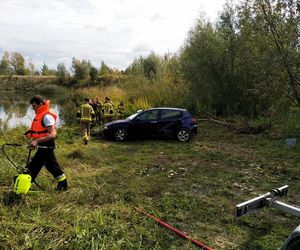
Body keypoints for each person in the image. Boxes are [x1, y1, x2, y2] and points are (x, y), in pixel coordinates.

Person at [25, 95, 68, 191]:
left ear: (40, 104)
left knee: (33, 166)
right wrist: (35, 141)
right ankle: (63, 183)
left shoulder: (47, 116)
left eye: (34, 106)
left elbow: (53, 134)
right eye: (32, 106)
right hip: (43, 145)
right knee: (51, 165)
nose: (33, 108)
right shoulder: (40, 114)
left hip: (48, 145)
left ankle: (22, 188)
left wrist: (36, 141)